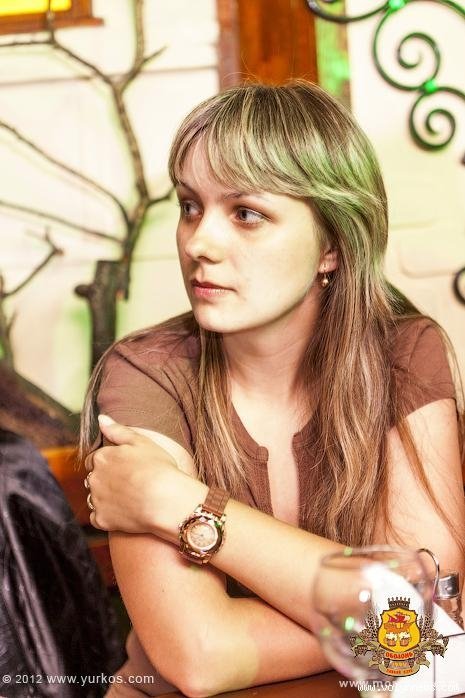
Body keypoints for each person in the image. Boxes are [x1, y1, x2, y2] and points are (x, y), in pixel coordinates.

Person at [80, 81, 465, 698]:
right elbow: (201, 659)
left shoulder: (405, 353)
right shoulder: (145, 372)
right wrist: (387, 619)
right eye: (189, 206)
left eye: (247, 213)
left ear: (332, 245)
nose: (199, 243)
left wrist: (180, 504)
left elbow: (429, 630)